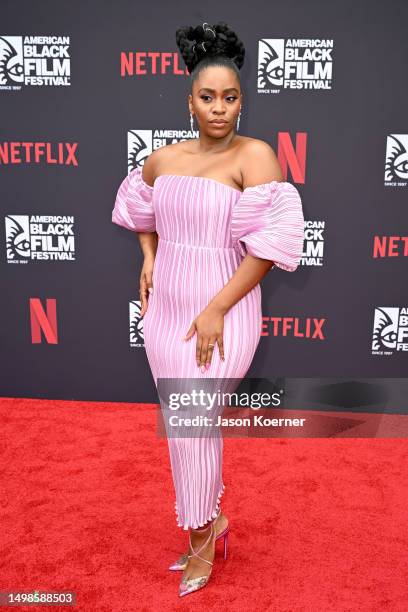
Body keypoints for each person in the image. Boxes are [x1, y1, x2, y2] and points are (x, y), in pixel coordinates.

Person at [112, 21, 305, 598]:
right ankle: (210, 522)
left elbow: (268, 248)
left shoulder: (256, 157)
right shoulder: (163, 158)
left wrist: (218, 307)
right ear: (189, 100)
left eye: (230, 97)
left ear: (242, 101)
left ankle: (199, 539)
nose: (219, 109)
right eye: (207, 97)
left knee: (192, 421)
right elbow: (138, 207)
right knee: (183, 427)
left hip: (226, 306)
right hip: (169, 307)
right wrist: (147, 257)